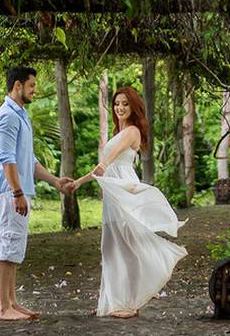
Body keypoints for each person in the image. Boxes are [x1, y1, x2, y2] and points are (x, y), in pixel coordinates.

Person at [68, 86, 187, 318]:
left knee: (127, 245)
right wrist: (79, 182)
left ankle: (131, 302)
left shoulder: (132, 131)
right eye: (116, 104)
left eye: (125, 104)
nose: (120, 108)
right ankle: (113, 301)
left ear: (133, 107)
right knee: (110, 246)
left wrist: (104, 165)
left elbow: (110, 158)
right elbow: (103, 165)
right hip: (112, 191)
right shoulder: (117, 131)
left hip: (124, 188)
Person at [0, 65, 68, 321]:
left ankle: (12, 302)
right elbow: (6, 159)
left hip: (20, 191)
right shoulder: (8, 116)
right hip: (8, 192)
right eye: (32, 85)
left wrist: (55, 181)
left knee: (14, 247)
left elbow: (29, 161)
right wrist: (17, 192)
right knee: (6, 245)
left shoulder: (21, 115)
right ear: (18, 86)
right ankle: (3, 308)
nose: (35, 90)